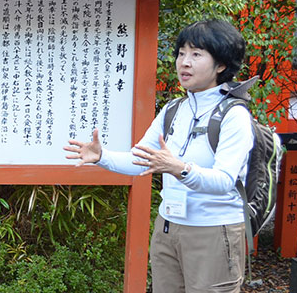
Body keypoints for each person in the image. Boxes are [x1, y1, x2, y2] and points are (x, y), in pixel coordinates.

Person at [64, 19, 254, 292]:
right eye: (181, 53)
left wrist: (180, 169)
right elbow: (139, 159)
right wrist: (102, 156)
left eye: (196, 54)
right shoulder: (174, 109)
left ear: (221, 65)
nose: (184, 62)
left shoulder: (234, 115)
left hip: (213, 230)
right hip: (168, 226)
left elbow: (225, 180)